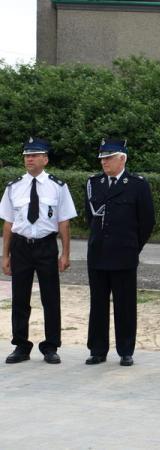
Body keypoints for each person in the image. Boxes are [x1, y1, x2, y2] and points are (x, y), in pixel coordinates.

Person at [0, 137, 77, 364]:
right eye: (26, 156)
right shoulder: (14, 187)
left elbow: (64, 222)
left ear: (45, 159)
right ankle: (21, 346)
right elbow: (8, 224)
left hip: (46, 245)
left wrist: (65, 253)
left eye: (34, 155)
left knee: (50, 298)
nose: (29, 159)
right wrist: (5, 255)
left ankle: (51, 346)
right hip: (21, 246)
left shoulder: (58, 186)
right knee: (19, 298)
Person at [85, 138, 155, 367]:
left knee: (125, 305)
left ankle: (125, 350)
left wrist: (133, 246)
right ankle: (97, 350)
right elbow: (90, 218)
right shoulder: (93, 183)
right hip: (98, 253)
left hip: (124, 254)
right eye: (102, 158)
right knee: (98, 304)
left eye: (109, 158)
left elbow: (147, 221)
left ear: (122, 159)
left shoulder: (137, 184)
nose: (104, 162)